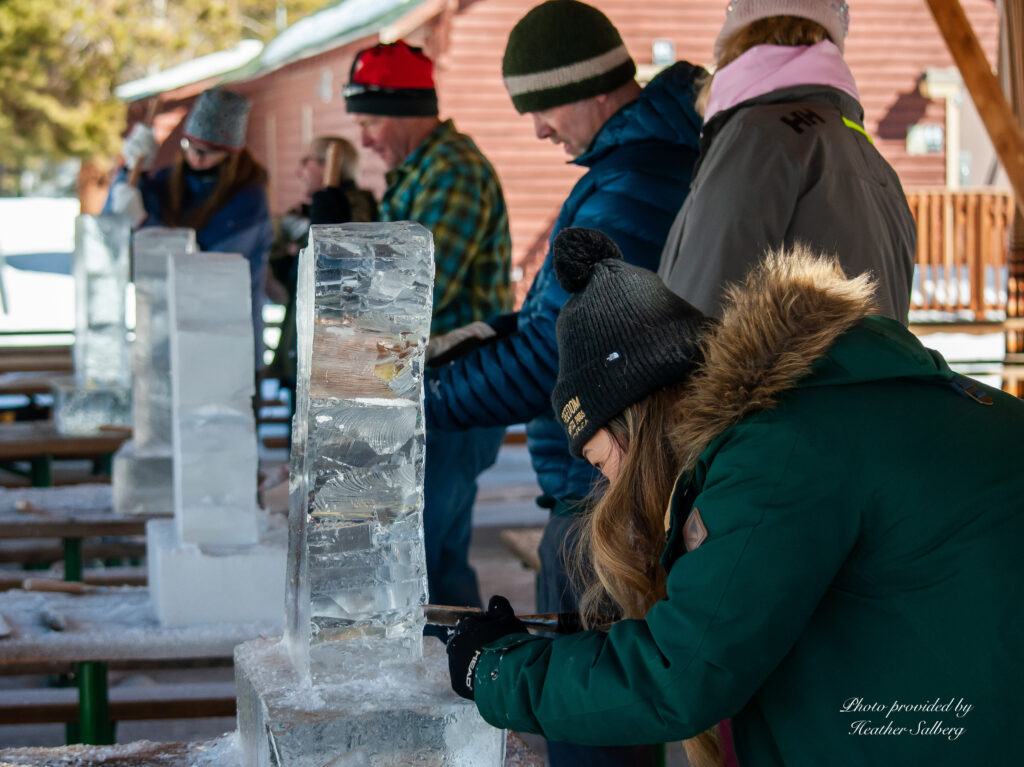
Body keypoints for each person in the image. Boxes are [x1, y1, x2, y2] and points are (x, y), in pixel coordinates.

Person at [446, 227, 1024, 767]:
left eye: (603, 462)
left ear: (640, 428)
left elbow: (680, 677)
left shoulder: (779, 453)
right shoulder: (829, 405)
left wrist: (497, 668)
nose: (610, 489)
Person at [425, 3, 703, 762]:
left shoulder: (634, 182)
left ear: (588, 88)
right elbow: (554, 322)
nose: (539, 130)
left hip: (606, 496)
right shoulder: (624, 172)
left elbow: (564, 360)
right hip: (598, 488)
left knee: (590, 729)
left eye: (542, 107)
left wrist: (424, 404)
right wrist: (484, 336)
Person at [343, 40, 512, 611]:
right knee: (426, 555)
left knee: (424, 558)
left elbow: (415, 294)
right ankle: (456, 675)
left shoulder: (453, 173)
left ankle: (454, 681)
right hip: (430, 389)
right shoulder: (422, 170)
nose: (364, 140)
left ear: (405, 111)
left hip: (455, 390)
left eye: (369, 122)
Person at [658, 0, 916, 322]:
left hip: (770, 375)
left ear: (735, 42)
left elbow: (694, 319)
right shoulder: (875, 164)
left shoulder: (757, 138)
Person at [107, 88, 272, 363]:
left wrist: (146, 223)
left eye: (209, 152)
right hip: (165, 339)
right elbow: (110, 229)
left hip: (228, 343)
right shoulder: (167, 182)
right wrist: (128, 174)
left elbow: (202, 269)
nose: (197, 158)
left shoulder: (248, 201)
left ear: (232, 154)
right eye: (190, 147)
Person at [266, 136, 376, 414]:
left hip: (337, 344)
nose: (299, 171)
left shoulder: (357, 206)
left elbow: (347, 263)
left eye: (307, 162)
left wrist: (313, 232)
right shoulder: (306, 210)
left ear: (330, 165)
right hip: (302, 333)